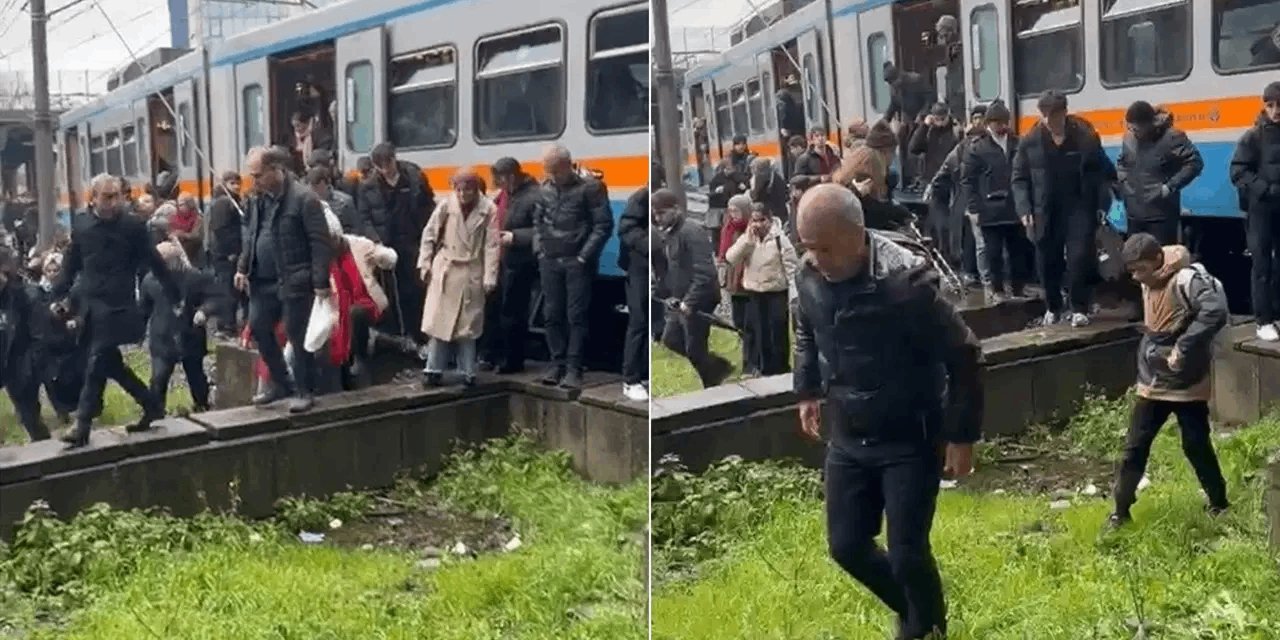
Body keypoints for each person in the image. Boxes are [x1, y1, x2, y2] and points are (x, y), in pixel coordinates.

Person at [792, 184, 982, 640]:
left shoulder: (907, 285)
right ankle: (919, 616)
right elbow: (806, 328)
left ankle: (927, 629)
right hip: (848, 431)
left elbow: (965, 355)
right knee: (846, 546)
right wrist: (807, 390)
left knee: (907, 552)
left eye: (824, 248)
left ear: (857, 236)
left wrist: (961, 435)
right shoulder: (809, 273)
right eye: (808, 248)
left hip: (909, 435)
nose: (815, 259)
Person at [1109, 233, 1229, 528]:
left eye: (1141, 270)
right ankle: (1120, 512)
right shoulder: (1148, 280)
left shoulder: (1187, 279)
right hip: (1152, 377)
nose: (1137, 277)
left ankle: (1219, 503)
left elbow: (1215, 312)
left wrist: (1184, 347)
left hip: (1186, 378)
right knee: (1135, 446)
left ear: (1157, 260)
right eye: (1132, 271)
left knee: (1195, 444)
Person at [55, 174, 180, 449]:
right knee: (111, 364)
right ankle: (151, 404)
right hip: (91, 307)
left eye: (118, 197)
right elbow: (70, 265)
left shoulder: (133, 227)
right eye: (108, 197)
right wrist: (56, 295)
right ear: (94, 198)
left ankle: (83, 424)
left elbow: (154, 260)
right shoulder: (83, 226)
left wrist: (173, 293)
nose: (114, 203)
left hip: (119, 307)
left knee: (96, 362)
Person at [235, 146, 333, 413]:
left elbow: (320, 242)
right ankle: (281, 382)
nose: (253, 181)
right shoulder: (257, 200)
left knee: (296, 333)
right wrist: (243, 267)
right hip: (262, 279)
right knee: (258, 327)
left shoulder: (304, 199)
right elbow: (252, 236)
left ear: (276, 169)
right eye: (251, 176)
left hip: (294, 277)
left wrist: (320, 280)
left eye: (258, 175)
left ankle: (304, 390)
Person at [1013, 90, 1112, 328]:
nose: (1048, 120)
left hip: (1079, 205)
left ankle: (1079, 307)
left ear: (1064, 113)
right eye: (1044, 115)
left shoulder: (1085, 136)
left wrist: (1102, 202)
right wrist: (1023, 207)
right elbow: (1019, 178)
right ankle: (1053, 306)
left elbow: (1099, 171)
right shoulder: (1030, 140)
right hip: (1044, 209)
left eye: (1054, 115)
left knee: (1080, 256)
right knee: (1048, 259)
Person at [535, 144, 614, 390]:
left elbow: (603, 225)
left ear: (568, 166)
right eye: (549, 171)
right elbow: (538, 220)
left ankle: (574, 366)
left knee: (575, 315)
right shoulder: (545, 189)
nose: (552, 176)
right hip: (550, 258)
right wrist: (540, 250)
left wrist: (583, 257)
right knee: (551, 314)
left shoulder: (590, 189)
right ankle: (557, 362)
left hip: (575, 260)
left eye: (555, 171)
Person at [418, 170, 500, 387]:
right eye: (459, 190)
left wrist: (490, 275)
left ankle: (467, 371)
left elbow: (492, 245)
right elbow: (429, 234)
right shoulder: (446, 205)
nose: (463, 194)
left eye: (468, 190)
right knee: (439, 322)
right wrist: (425, 263)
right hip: (447, 267)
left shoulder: (488, 209)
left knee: (468, 326)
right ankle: (433, 368)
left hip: (471, 269)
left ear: (476, 190)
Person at [652, 188, 733, 389]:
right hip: (680, 298)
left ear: (676, 209)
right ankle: (717, 369)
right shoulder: (671, 234)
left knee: (695, 347)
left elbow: (705, 272)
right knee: (670, 340)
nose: (657, 218)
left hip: (700, 298)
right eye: (654, 213)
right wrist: (666, 294)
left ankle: (712, 381)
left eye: (661, 213)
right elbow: (673, 270)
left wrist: (691, 301)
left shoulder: (691, 231)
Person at [358, 142, 436, 347]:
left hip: (413, 239)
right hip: (389, 245)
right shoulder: (368, 187)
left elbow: (429, 205)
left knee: (419, 289)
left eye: (388, 164)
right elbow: (365, 218)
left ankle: (424, 334)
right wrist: (377, 242)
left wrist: (428, 234)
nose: (385, 170)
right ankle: (406, 335)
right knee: (397, 292)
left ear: (395, 159)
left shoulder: (414, 177)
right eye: (380, 166)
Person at [963, 100, 1029, 303]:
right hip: (989, 209)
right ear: (989, 123)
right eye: (996, 123)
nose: (1001, 126)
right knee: (993, 253)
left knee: (1019, 250)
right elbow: (968, 180)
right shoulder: (977, 148)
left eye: (1003, 122)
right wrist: (973, 208)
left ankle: (1018, 287)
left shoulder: (1018, 144)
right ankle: (997, 289)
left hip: (1014, 207)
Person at [1229, 81, 1280, 342]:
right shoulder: (1253, 136)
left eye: (1279, 105)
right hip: (1260, 209)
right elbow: (1238, 171)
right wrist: (1265, 189)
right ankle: (1263, 320)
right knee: (1262, 263)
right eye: (1270, 105)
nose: (1276, 110)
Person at [479, 158, 539, 374]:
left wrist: (514, 237)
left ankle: (512, 359)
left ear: (511, 177)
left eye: (501, 179)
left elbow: (541, 230)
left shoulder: (533, 196)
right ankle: (491, 354)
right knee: (493, 310)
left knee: (512, 312)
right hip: (500, 260)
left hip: (520, 261)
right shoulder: (504, 196)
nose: (499, 184)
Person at [141, 241, 217, 413]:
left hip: (190, 334)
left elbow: (214, 297)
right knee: (158, 378)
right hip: (162, 336)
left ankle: (202, 405)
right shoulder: (149, 280)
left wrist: (204, 311)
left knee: (196, 375)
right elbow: (144, 308)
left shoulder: (194, 277)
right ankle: (155, 411)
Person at [1116, 101, 1203, 246]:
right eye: (1130, 127)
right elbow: (1122, 162)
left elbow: (1194, 163)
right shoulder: (1129, 138)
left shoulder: (1172, 137)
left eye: (1136, 129)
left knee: (1162, 259)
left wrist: (1169, 187)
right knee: (1136, 260)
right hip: (1134, 213)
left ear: (1149, 124)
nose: (1133, 132)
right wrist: (1123, 181)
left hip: (1161, 214)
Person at [726, 202, 798, 376]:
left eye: (762, 220)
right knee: (756, 331)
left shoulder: (780, 239)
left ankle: (778, 368)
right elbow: (731, 257)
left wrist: (794, 296)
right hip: (754, 292)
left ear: (769, 219)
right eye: (754, 220)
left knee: (776, 333)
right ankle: (757, 366)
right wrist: (746, 242)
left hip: (775, 292)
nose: (758, 224)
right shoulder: (748, 239)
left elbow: (792, 269)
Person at [929, 103, 988, 284]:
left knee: (978, 239)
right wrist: (934, 188)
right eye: (976, 118)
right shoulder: (963, 147)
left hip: (983, 197)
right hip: (968, 196)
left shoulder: (988, 143)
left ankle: (979, 275)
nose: (979, 121)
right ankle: (977, 275)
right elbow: (946, 169)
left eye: (982, 118)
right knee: (972, 237)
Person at [0, 246, 51, 441]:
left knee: (29, 416)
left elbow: (39, 336)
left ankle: (44, 448)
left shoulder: (25, 296)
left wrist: (31, 367)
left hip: (20, 364)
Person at [618, 176, 650, 402]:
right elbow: (627, 229)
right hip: (639, 265)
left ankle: (644, 374)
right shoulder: (641, 197)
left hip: (646, 264)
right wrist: (649, 245)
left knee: (649, 321)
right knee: (638, 321)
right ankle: (630, 379)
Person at [719, 195, 754, 374]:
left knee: (751, 325)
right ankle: (746, 359)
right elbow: (724, 254)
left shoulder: (751, 228)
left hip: (749, 281)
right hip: (734, 282)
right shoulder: (729, 228)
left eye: (736, 210)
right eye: (730, 210)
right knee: (739, 323)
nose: (733, 214)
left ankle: (751, 362)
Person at [207, 170, 244, 335]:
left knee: (232, 289)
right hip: (225, 254)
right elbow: (221, 230)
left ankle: (229, 323)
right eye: (232, 183)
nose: (236, 186)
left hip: (227, 253)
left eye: (238, 183)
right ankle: (226, 324)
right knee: (227, 289)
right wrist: (231, 251)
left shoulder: (232, 201)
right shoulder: (223, 203)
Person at [909, 103, 959, 187]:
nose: (940, 122)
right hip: (930, 179)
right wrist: (924, 126)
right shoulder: (928, 132)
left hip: (950, 178)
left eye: (943, 119)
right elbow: (913, 148)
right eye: (937, 119)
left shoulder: (955, 131)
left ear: (948, 116)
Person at [306, 166, 361, 235]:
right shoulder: (307, 202)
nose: (313, 189)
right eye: (311, 185)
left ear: (327, 183)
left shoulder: (344, 202)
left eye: (316, 185)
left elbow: (356, 228)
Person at [170, 193, 205, 267]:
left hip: (194, 253)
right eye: (178, 205)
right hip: (178, 252)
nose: (180, 208)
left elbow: (197, 236)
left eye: (182, 205)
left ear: (190, 205)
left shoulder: (197, 218)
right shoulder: (174, 217)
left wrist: (182, 234)